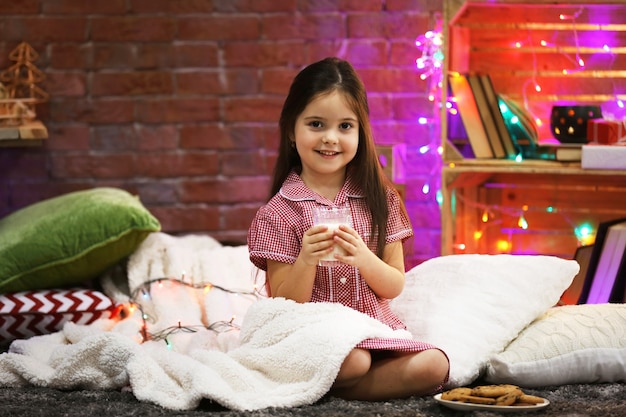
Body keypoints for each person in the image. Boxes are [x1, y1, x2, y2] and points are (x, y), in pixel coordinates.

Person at [247, 57, 449, 401]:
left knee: (435, 366)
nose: (331, 138)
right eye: (316, 124)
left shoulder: (379, 200)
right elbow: (284, 301)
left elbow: (394, 284)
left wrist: (362, 257)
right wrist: (307, 259)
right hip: (311, 333)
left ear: (360, 132)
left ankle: (328, 388)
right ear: (292, 133)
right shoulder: (279, 213)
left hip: (372, 329)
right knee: (353, 361)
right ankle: (337, 379)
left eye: (345, 126)